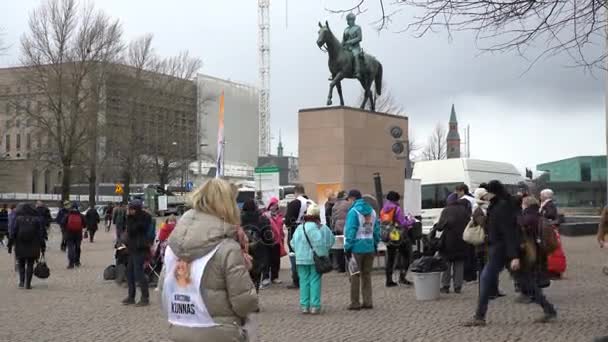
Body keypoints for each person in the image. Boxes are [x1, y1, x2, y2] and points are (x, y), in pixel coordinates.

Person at [158, 178, 258, 341]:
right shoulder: (227, 248)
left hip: (180, 329)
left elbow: (163, 294)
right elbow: (245, 303)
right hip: (220, 332)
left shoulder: (173, 248)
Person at [463, 180, 521, 326]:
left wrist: (514, 256)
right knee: (524, 280)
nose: (485, 196)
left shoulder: (500, 207)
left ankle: (479, 316)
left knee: (485, 279)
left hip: (500, 249)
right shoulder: (497, 205)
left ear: (492, 192)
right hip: (498, 248)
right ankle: (548, 309)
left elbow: (509, 232)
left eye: (487, 192)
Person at [513, 196, 557, 322]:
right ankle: (540, 298)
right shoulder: (538, 215)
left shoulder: (527, 217)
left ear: (525, 204)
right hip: (539, 248)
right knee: (535, 271)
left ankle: (532, 296)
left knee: (528, 273)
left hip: (530, 249)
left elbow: (522, 228)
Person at [290, 204, 335, 314]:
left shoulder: (300, 228)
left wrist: (299, 252)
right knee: (315, 281)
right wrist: (324, 252)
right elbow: (330, 241)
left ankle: (304, 306)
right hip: (316, 259)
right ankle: (315, 306)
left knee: (303, 281)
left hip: (301, 259)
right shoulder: (322, 228)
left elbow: (292, 243)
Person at [344, 189, 381, 310]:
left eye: (349, 199)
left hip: (355, 249)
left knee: (355, 275)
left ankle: (355, 303)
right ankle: (368, 301)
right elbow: (376, 231)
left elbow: (351, 231)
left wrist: (347, 247)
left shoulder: (353, 212)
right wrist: (375, 244)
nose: (348, 202)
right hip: (369, 247)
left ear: (353, 198)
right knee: (367, 275)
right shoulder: (372, 212)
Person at [436, 193, 471, 294]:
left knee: (446, 263)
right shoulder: (464, 210)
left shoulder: (446, 210)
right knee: (459, 264)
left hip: (449, 241)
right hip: (462, 240)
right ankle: (458, 287)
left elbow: (440, 227)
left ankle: (445, 286)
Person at [7, 203, 46, 289]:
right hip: (33, 245)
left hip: (20, 245)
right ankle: (28, 284)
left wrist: (9, 245)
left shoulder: (18, 219)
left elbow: (13, 233)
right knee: (30, 264)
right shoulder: (36, 220)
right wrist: (43, 246)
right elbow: (40, 234)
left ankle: (21, 281)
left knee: (21, 264)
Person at [381, 191, 415, 287]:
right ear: (397, 199)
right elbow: (402, 223)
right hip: (398, 235)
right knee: (407, 255)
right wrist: (411, 221)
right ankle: (402, 277)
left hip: (388, 235)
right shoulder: (397, 208)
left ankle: (389, 280)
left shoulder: (384, 209)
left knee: (390, 258)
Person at [122, 199, 152, 306]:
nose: (130, 211)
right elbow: (129, 230)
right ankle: (131, 296)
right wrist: (130, 217)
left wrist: (132, 218)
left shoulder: (146, 217)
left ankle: (145, 297)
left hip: (141, 247)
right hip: (132, 248)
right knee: (129, 272)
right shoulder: (130, 217)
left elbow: (138, 229)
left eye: (131, 209)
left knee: (139, 273)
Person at [241, 199, 273, 292]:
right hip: (259, 253)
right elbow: (268, 238)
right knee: (256, 278)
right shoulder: (263, 219)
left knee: (242, 279)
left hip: (242, 253)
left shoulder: (238, 220)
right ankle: (254, 298)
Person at [284, 184, 309, 289]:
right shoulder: (311, 203)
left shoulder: (294, 203)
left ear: (295, 192)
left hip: (295, 231)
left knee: (293, 254)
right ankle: (307, 278)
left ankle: (296, 280)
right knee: (307, 254)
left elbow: (288, 220)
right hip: (309, 231)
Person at [264, 197, 285, 285]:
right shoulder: (265, 215)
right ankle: (265, 277)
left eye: (275, 204)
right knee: (267, 259)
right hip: (268, 241)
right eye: (272, 204)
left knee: (276, 260)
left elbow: (281, 228)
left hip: (277, 241)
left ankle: (275, 277)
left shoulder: (280, 216)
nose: (273, 206)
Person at [330, 191, 350, 272]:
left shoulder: (335, 205)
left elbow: (333, 218)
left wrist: (333, 227)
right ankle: (348, 265)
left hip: (337, 227)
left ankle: (340, 267)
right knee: (347, 246)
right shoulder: (348, 204)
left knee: (339, 248)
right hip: (346, 226)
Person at [62, 203, 86, 269]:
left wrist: (65, 229)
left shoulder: (68, 215)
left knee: (70, 248)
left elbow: (63, 223)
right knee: (77, 248)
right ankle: (77, 262)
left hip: (69, 234)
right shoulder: (81, 215)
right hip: (78, 234)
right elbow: (84, 225)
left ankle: (71, 263)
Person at [342, 12, 364, 78]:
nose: (348, 22)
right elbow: (343, 40)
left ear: (353, 20)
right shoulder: (346, 29)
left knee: (355, 56)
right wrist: (340, 45)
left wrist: (350, 41)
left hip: (355, 47)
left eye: (349, 20)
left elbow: (359, 38)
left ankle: (357, 72)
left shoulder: (357, 28)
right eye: (347, 20)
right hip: (347, 48)